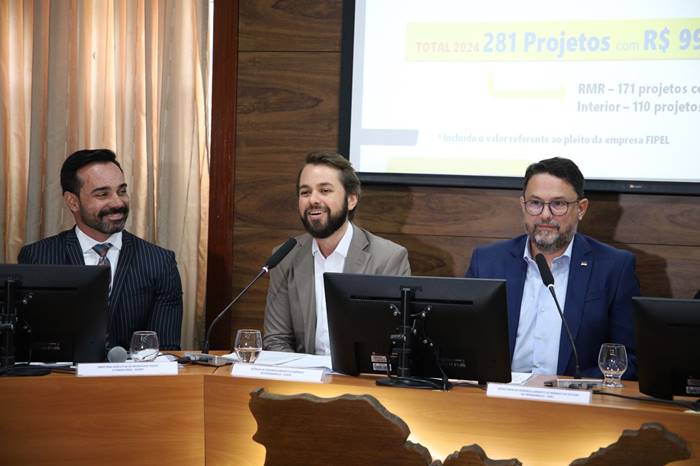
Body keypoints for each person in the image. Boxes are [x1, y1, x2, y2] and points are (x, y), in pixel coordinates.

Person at [466, 157, 640, 379]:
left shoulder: (614, 268)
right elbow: (464, 344)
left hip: (575, 395)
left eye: (558, 204)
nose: (545, 215)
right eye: (535, 203)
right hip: (497, 392)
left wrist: (576, 386)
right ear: (523, 206)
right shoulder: (487, 262)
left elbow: (629, 359)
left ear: (581, 209)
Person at [18, 149, 183, 350]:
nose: (118, 202)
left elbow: (164, 351)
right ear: (72, 201)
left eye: (122, 191)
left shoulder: (160, 262)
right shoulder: (38, 258)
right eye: (102, 194)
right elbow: (28, 346)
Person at [263, 152, 411, 354]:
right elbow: (276, 339)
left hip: (360, 373)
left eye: (325, 190)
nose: (313, 200)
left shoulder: (387, 259)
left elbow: (393, 341)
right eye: (305, 192)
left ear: (351, 200)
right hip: (301, 373)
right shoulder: (284, 257)